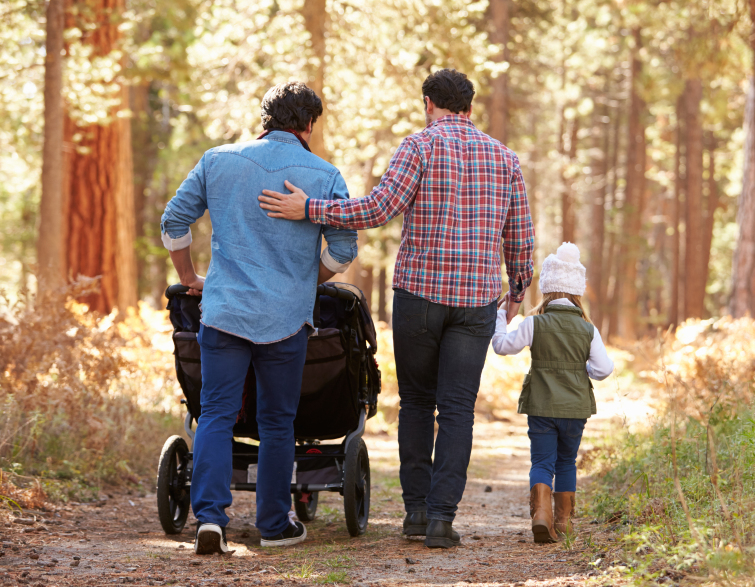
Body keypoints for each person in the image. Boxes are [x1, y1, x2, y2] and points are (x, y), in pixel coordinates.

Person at [257, 69, 535, 548]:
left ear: (429, 103)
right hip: (475, 302)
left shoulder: (419, 147)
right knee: (457, 410)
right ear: (469, 106)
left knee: (417, 404)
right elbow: (521, 238)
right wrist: (515, 293)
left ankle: (416, 514)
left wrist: (311, 209)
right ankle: (443, 520)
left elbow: (378, 209)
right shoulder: (505, 158)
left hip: (419, 298)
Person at [160, 82, 358, 554]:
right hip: (286, 320)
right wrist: (303, 285)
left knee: (214, 414)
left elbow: (173, 220)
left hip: (224, 311)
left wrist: (190, 276)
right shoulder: (326, 174)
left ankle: (209, 520)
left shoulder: (217, 159)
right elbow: (344, 250)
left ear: (265, 118)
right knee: (276, 422)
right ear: (309, 125)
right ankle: (273, 525)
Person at [492, 242, 614, 544]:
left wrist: (498, 317)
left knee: (542, 462)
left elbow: (501, 346)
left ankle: (541, 515)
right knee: (566, 463)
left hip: (542, 406)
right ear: (576, 291)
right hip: (575, 409)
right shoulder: (588, 329)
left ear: (547, 288)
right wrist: (579, 371)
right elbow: (604, 369)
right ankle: (563, 521)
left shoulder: (534, 323)